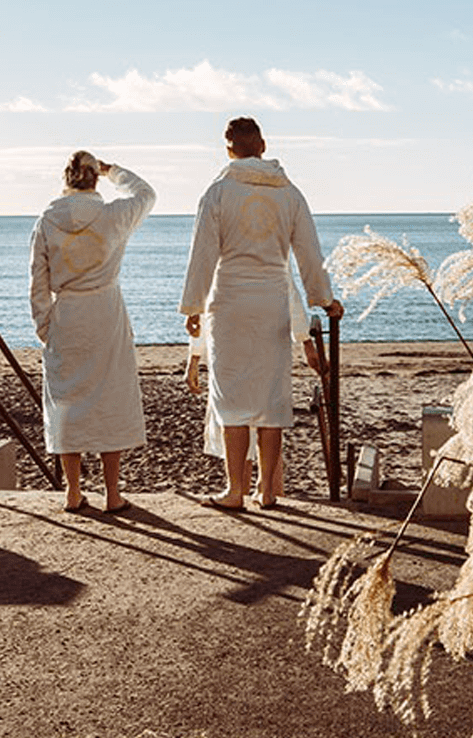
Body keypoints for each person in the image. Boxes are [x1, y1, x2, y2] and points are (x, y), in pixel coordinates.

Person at [179, 117, 342, 510]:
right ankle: (267, 491)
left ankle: (235, 491)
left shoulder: (218, 193)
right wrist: (323, 299)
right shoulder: (290, 194)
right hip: (271, 301)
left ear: (228, 148)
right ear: (263, 146)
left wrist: (192, 307)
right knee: (271, 399)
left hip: (230, 303)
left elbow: (203, 254)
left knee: (232, 399)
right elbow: (308, 254)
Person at [31, 151, 155, 513]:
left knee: (67, 400)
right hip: (105, 312)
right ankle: (113, 494)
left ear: (66, 177)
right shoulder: (113, 216)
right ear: (93, 178)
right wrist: (113, 170)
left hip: (67, 313)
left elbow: (37, 283)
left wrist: (45, 326)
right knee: (108, 398)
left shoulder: (47, 221)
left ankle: (72, 491)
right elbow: (146, 194)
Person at [185, 264, 322, 499]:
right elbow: (208, 299)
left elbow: (206, 295)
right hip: (252, 339)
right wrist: (194, 356)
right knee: (265, 419)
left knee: (245, 420)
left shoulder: (227, 238)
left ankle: (248, 491)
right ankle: (264, 491)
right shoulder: (268, 238)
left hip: (244, 340)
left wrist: (306, 341)